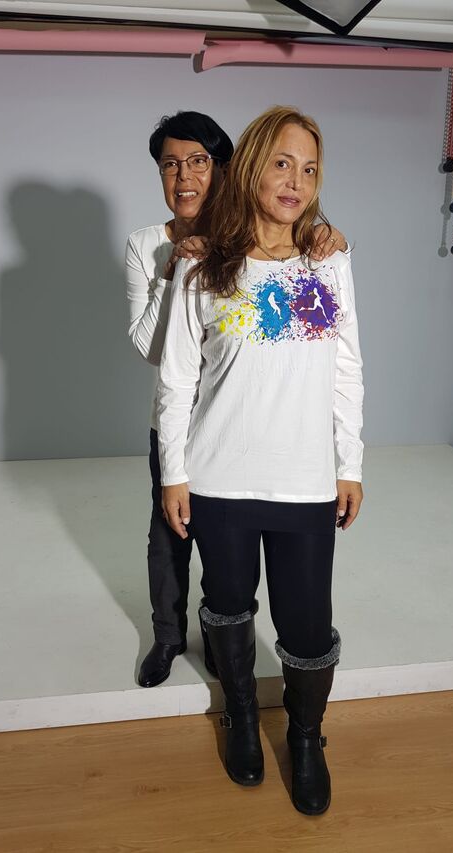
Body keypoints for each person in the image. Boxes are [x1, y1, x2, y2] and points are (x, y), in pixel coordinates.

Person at [157, 107, 364, 815]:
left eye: (309, 169)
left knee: (307, 628)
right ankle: (242, 715)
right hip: (220, 479)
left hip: (304, 482)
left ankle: (305, 738)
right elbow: (176, 380)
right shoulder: (202, 263)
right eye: (282, 163)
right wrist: (174, 473)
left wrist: (350, 463)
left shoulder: (328, 260)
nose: (296, 181)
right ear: (249, 167)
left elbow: (347, 369)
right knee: (227, 605)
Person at [126, 110, 348, 689]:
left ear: (226, 169)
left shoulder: (288, 245)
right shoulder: (157, 247)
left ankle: (229, 648)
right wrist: (177, 270)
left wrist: (323, 242)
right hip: (188, 427)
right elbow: (156, 354)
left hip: (258, 442)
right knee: (170, 539)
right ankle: (169, 639)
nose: (184, 176)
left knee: (239, 570)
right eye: (170, 164)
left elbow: (338, 358)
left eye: (198, 161)